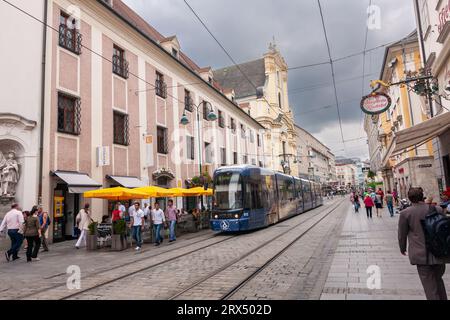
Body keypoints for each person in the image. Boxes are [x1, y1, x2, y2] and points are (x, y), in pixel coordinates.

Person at [398, 187, 449, 300]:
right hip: (439, 252)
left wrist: (402, 248)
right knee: (438, 281)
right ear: (422, 196)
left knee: (429, 286)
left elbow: (402, 234)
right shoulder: (438, 209)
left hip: (421, 255)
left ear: (410, 198)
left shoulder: (406, 213)